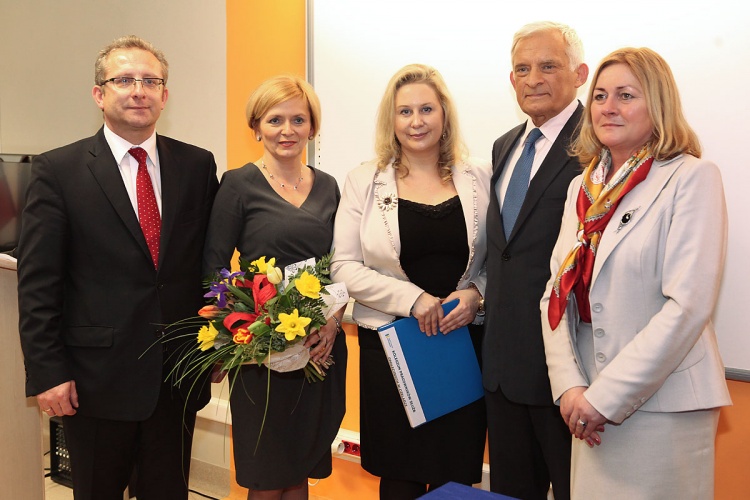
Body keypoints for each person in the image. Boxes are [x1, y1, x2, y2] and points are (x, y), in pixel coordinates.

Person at [17, 35, 219, 499]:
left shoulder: (196, 165)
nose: (138, 91)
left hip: (177, 375)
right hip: (95, 381)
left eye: (151, 81)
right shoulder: (58, 170)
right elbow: (39, 284)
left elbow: (206, 266)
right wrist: (48, 372)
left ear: (164, 95)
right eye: (124, 80)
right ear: (99, 93)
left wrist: (216, 344)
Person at [541, 47, 731, 500]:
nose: (608, 107)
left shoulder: (691, 177)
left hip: (661, 408)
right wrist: (570, 386)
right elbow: (555, 293)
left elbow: (687, 306)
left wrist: (603, 398)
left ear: (658, 104)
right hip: (585, 402)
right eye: (600, 96)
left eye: (625, 95)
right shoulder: (583, 187)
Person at [331, 63, 490, 499]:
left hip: (461, 344)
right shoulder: (364, 180)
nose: (416, 121)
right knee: (400, 474)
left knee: (454, 477)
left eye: (426, 109)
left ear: (444, 114)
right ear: (392, 119)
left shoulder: (479, 175)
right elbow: (343, 265)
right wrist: (414, 298)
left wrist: (477, 294)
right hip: (391, 345)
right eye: (405, 112)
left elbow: (502, 258)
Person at [202, 75, 346, 500]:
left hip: (318, 346)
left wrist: (333, 322)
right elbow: (213, 267)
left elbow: (343, 264)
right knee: (267, 475)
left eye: (298, 119)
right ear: (256, 127)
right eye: (275, 119)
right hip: (259, 351)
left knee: (300, 468)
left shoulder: (329, 186)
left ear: (312, 127)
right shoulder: (237, 184)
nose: (287, 130)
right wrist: (234, 336)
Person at [482, 21, 589, 500]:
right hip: (502, 372)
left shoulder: (599, 145)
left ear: (580, 74)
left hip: (566, 375)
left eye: (548, 66)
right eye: (522, 69)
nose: (533, 79)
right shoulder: (504, 145)